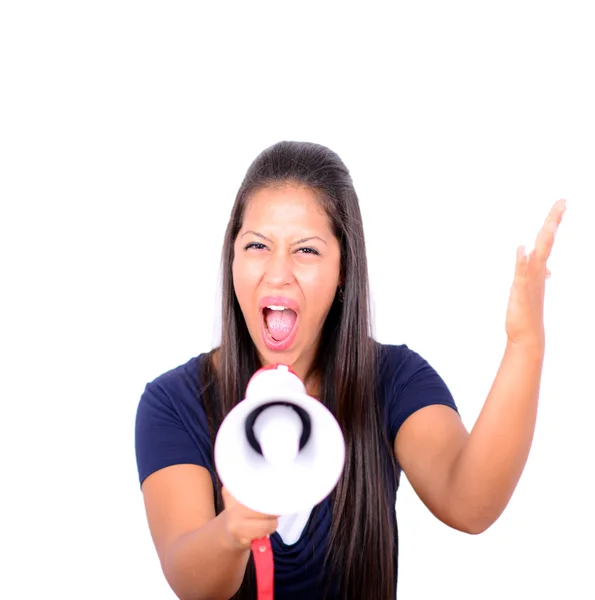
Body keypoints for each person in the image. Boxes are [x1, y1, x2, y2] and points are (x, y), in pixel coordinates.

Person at [134, 141, 566, 600]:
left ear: (343, 270)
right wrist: (231, 533)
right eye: (257, 245)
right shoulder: (172, 402)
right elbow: (192, 582)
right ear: (233, 257)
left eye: (306, 251)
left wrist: (525, 344)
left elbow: (471, 503)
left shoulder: (395, 379)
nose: (278, 273)